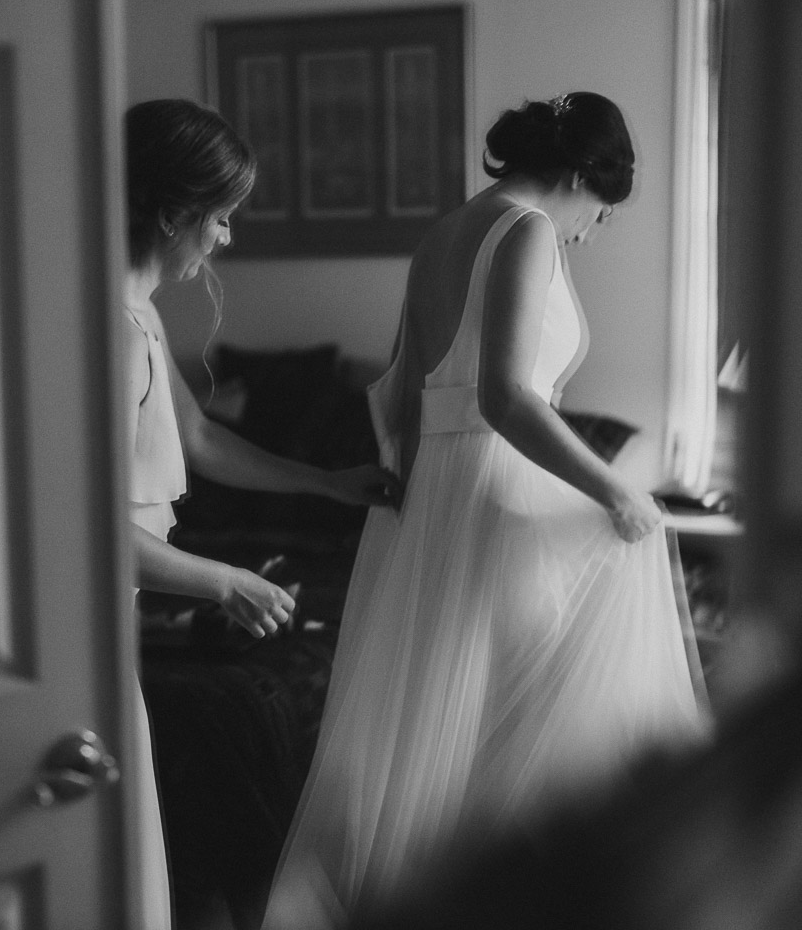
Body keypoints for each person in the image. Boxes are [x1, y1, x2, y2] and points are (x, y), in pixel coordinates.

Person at [261, 92, 712, 929]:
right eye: (601, 213)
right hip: (494, 483)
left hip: (441, 491)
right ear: (581, 176)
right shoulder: (529, 228)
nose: (590, 232)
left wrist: (415, 500)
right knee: (533, 708)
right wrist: (616, 488)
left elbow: (398, 391)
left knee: (460, 723)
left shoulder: (442, 233)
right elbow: (506, 397)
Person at [121, 98, 402, 930]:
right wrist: (225, 583)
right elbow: (85, 528)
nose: (226, 240)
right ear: (174, 212)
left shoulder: (139, 313)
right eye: (222, 219)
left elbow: (200, 437)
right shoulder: (93, 324)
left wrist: (326, 484)